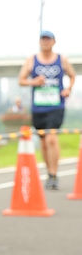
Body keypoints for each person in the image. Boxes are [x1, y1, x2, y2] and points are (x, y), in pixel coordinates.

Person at [18, 30, 76, 190]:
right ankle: (49, 173)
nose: (45, 42)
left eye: (48, 39)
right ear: (39, 42)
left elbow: (72, 75)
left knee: (51, 138)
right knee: (43, 142)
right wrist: (34, 82)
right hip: (38, 107)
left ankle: (54, 174)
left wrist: (68, 89)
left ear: (53, 42)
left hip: (56, 106)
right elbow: (21, 80)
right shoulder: (32, 60)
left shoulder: (61, 59)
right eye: (43, 39)